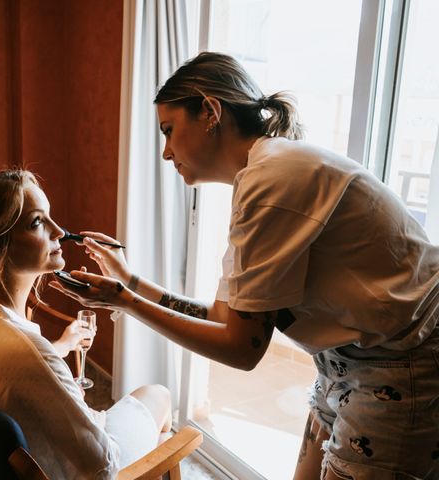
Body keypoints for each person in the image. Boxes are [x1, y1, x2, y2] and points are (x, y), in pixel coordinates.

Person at [50, 52, 439, 479]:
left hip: (404, 358)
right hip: (344, 360)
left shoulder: (273, 179)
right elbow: (223, 319)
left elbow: (242, 349)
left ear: (210, 112)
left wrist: (125, 302)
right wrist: (130, 283)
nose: (166, 152)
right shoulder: (260, 177)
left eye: (169, 131)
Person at [0, 169, 172, 480]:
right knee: (159, 396)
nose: (59, 231)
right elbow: (104, 466)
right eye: (37, 222)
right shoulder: (28, 352)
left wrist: (60, 358)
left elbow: (10, 376)